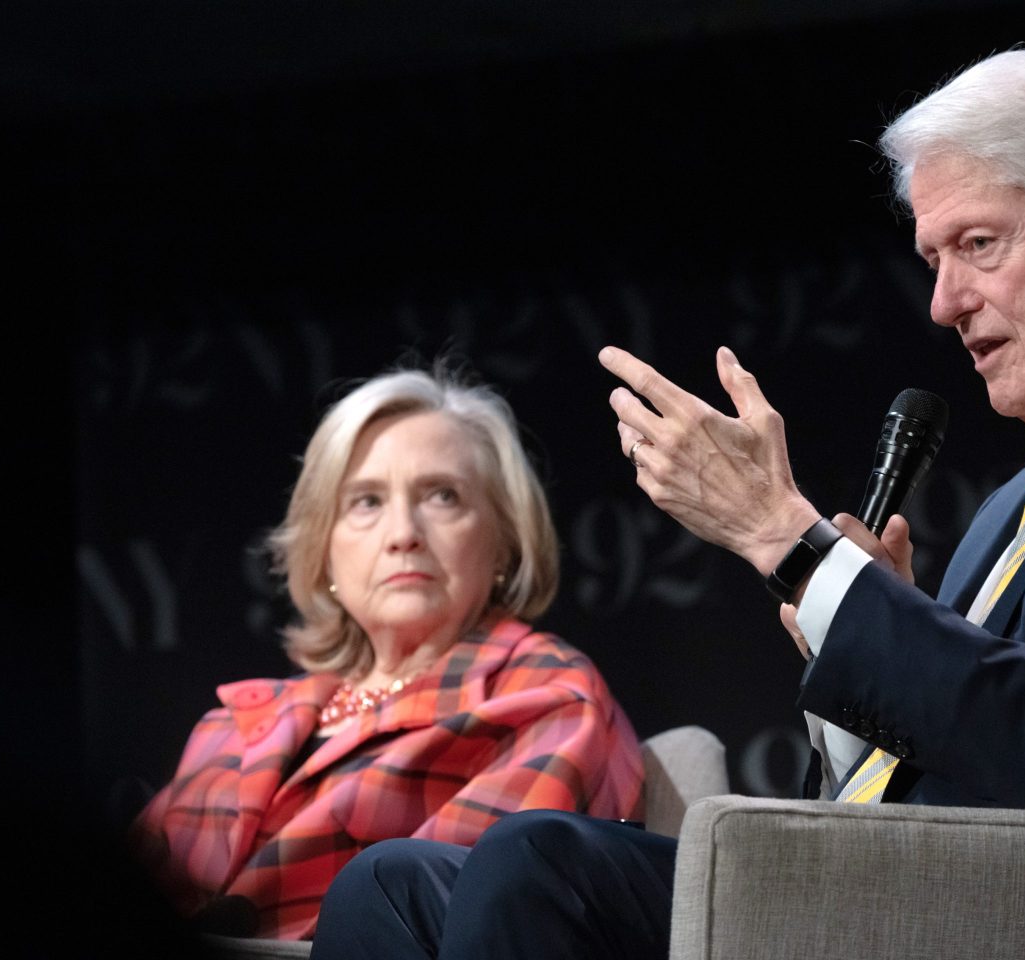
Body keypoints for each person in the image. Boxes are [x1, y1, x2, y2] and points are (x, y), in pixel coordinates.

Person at [308, 49, 1025, 959]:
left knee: (540, 864)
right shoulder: (1023, 501)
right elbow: (950, 762)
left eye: (979, 245)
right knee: (389, 889)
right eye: (933, 257)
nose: (944, 301)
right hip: (901, 888)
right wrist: (885, 642)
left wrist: (792, 540)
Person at [129, 367, 644, 941]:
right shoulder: (238, 722)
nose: (403, 532)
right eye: (366, 501)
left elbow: (441, 907)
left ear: (505, 541)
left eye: (442, 496)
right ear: (325, 552)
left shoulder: (544, 692)